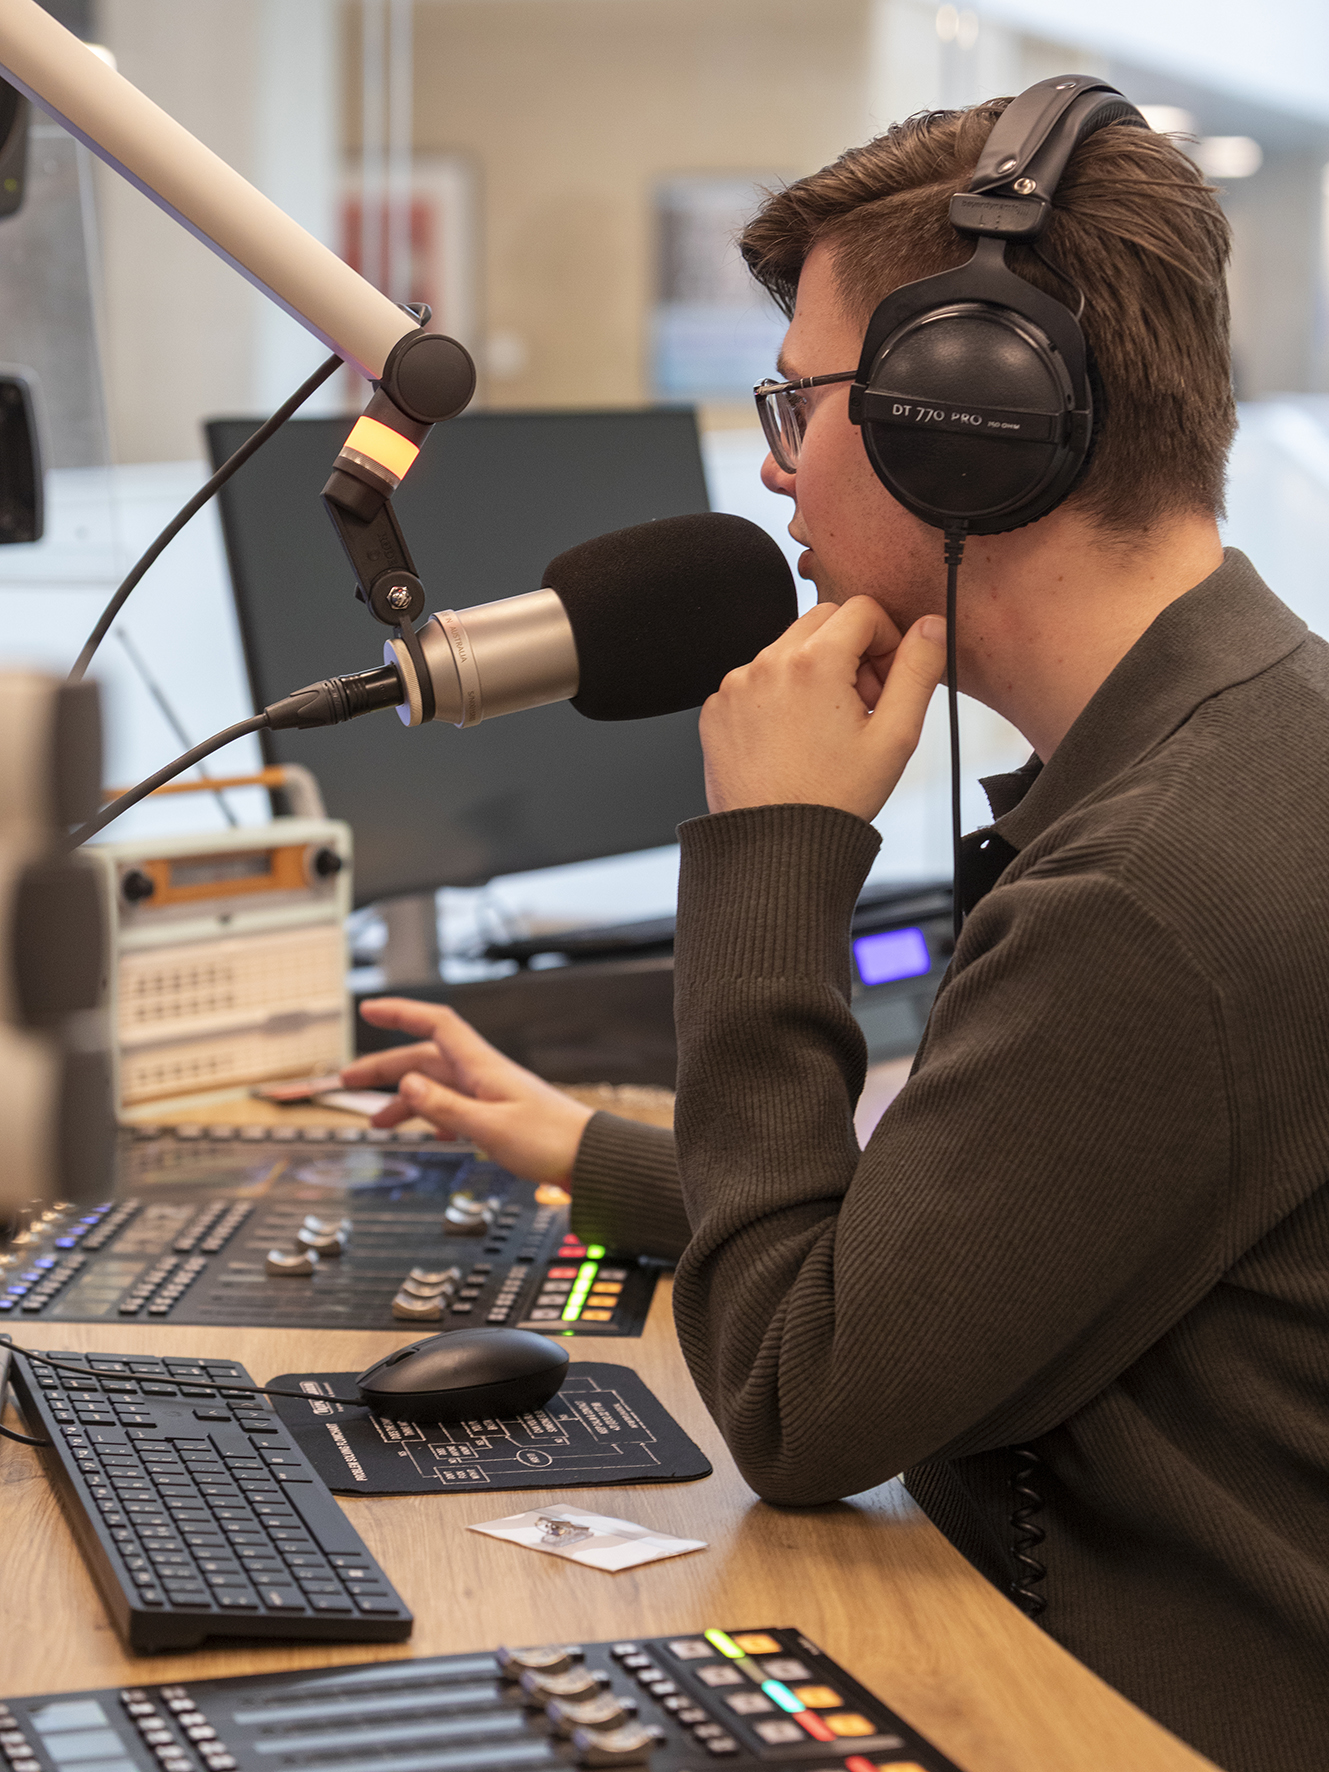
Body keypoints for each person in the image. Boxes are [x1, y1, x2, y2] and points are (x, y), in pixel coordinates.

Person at [342, 99, 1329, 1772]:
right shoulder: (1241, 743)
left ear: (970, 422)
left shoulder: (1155, 887)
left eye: (796, 404)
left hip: (1112, 1718)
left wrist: (771, 854)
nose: (774, 467)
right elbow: (996, 1239)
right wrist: (591, 1154)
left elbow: (800, 1406)